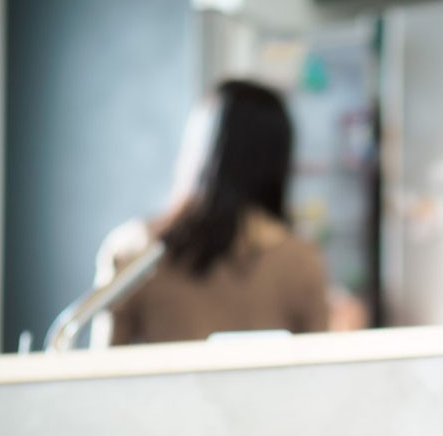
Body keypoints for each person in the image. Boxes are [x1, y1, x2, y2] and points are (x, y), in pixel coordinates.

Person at [90, 79, 330, 346]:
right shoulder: (301, 261)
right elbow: (315, 376)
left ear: (199, 150)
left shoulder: (133, 250)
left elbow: (102, 368)